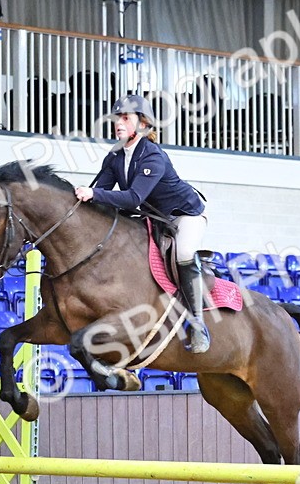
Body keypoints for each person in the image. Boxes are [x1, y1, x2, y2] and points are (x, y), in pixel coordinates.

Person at [74, 94, 212, 354]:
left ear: (143, 124)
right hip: (154, 217)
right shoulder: (115, 156)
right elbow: (100, 192)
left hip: (185, 215)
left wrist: (93, 194)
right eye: (117, 118)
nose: (118, 123)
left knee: (183, 253)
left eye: (126, 118)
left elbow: (133, 198)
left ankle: (198, 324)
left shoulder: (152, 156)